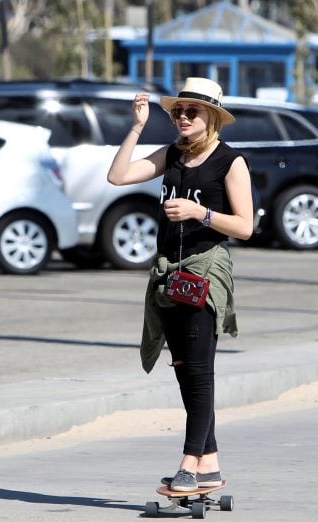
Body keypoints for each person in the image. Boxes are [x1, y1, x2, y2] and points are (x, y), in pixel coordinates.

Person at [107, 77, 253, 492]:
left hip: (205, 270)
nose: (184, 118)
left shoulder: (230, 161)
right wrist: (136, 127)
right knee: (185, 368)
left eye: (193, 112)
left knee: (200, 370)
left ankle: (189, 463)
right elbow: (118, 177)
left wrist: (198, 212)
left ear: (213, 117)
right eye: (178, 112)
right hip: (170, 274)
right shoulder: (172, 154)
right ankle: (210, 464)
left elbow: (245, 226)